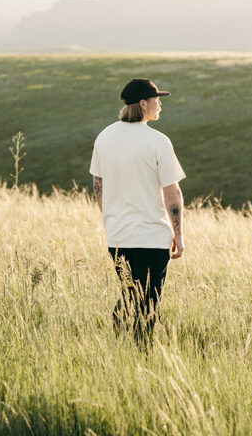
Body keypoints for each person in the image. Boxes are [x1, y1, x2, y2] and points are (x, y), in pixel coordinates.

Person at [90, 78, 185, 341]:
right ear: (144, 104)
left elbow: (98, 183)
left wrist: (109, 216)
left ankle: (120, 346)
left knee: (130, 294)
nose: (160, 104)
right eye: (157, 99)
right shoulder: (158, 141)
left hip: (118, 235)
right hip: (153, 236)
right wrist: (178, 234)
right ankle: (142, 354)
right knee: (149, 303)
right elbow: (172, 191)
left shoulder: (104, 137)